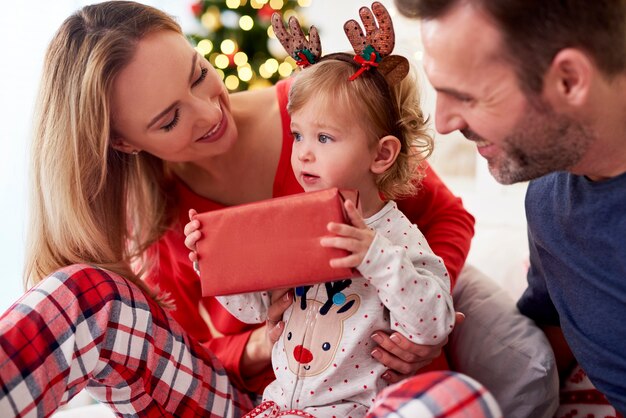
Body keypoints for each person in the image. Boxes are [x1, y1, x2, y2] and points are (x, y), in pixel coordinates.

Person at [0, 1, 499, 417]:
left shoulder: (327, 118)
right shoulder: (158, 222)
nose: (209, 112)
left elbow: (447, 219)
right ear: (126, 143)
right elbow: (193, 349)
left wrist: (418, 316)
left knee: (458, 402)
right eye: (170, 119)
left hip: (380, 393)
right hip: (261, 402)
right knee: (85, 294)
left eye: (199, 75)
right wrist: (257, 345)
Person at [183, 7, 455, 415]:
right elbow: (256, 307)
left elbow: (433, 323)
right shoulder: (292, 223)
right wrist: (212, 261)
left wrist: (372, 256)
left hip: (355, 409)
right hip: (277, 405)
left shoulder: (394, 236)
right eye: (298, 134)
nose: (303, 153)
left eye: (324, 137)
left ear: (381, 154)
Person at [395, 0, 626, 414]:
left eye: (465, 96)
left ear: (570, 80)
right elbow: (553, 329)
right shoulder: (548, 198)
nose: (443, 121)